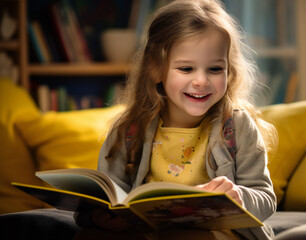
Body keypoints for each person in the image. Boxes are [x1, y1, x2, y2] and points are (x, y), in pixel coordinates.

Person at [75, 0, 278, 239]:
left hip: (217, 234)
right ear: (156, 69)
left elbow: (265, 199)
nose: (201, 81)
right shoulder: (129, 129)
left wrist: (239, 197)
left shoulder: (237, 125)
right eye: (186, 69)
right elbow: (104, 197)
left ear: (229, 70)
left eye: (215, 69)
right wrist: (97, 217)